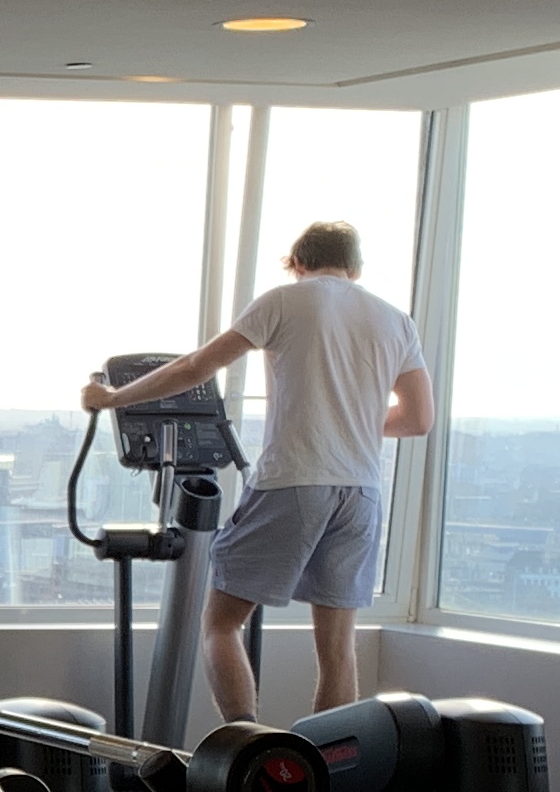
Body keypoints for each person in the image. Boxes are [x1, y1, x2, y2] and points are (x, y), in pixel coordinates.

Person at [80, 221, 427, 720]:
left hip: (294, 480)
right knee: (337, 651)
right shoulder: (396, 320)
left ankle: (245, 756)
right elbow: (418, 418)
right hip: (362, 493)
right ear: (355, 268)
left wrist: (113, 398)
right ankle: (324, 778)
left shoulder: (285, 300)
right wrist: (351, 422)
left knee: (221, 624)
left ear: (297, 262)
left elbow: (194, 368)